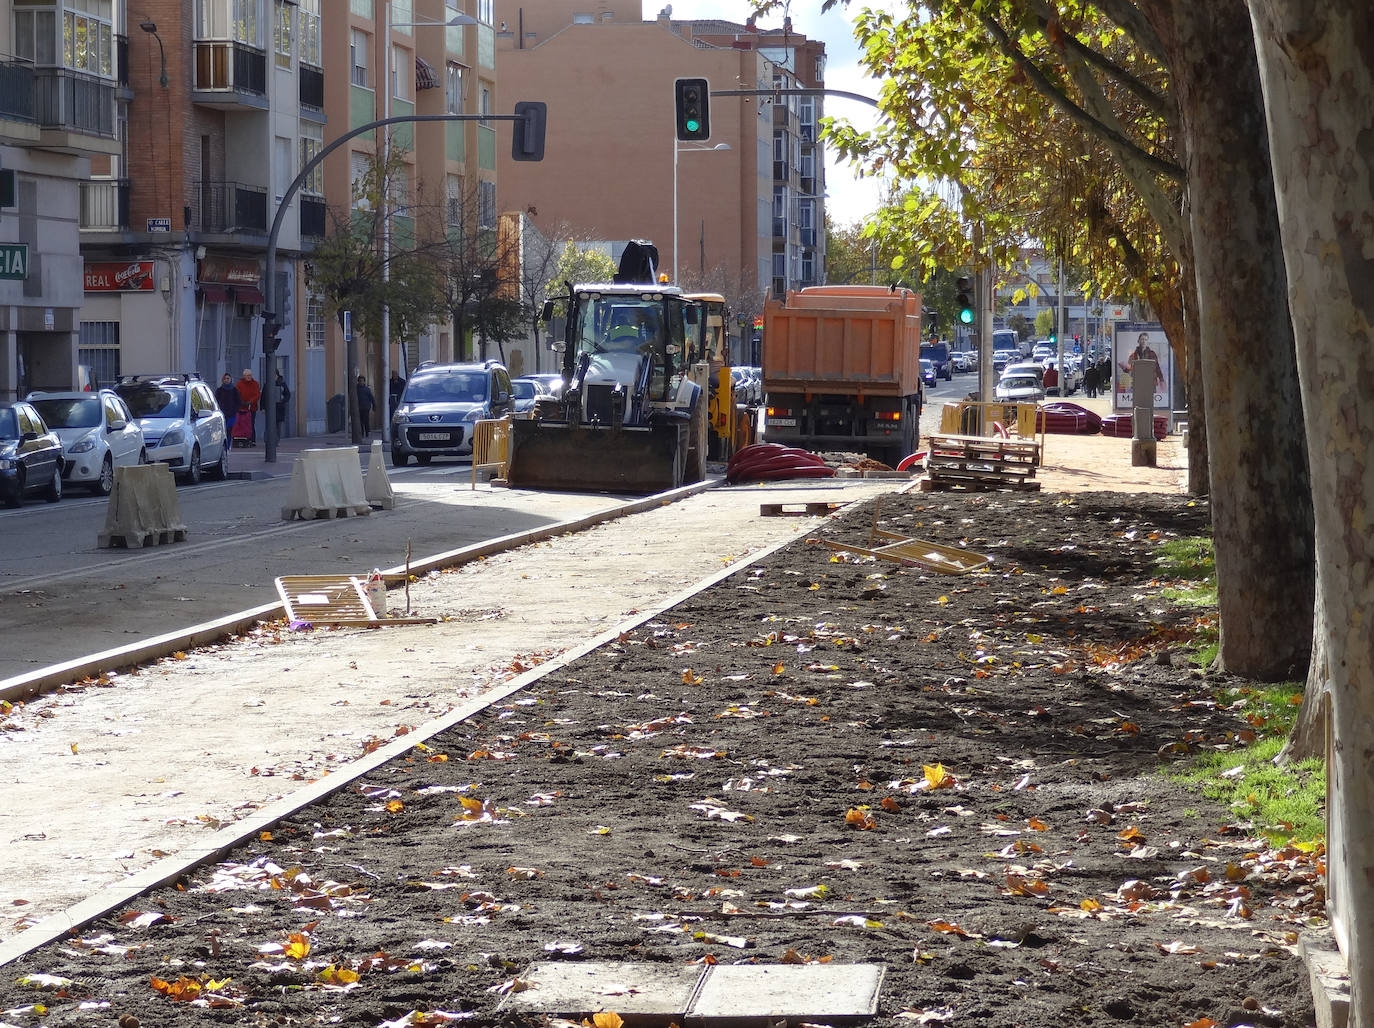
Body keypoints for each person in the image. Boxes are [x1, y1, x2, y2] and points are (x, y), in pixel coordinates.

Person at [235, 368, 261, 445]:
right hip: (241, 407)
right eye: (247, 375)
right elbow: (237, 394)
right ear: (244, 376)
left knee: (251, 423)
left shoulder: (255, 384)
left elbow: (257, 395)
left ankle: (252, 439)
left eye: (250, 375)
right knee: (241, 423)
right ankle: (242, 438)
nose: (249, 377)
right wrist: (240, 402)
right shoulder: (239, 384)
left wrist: (250, 402)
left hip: (251, 407)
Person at [275, 372, 291, 438]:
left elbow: (288, 395)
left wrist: (283, 400)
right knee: (270, 424)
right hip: (271, 408)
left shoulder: (282, 384)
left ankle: (277, 439)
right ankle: (271, 439)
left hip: (279, 407)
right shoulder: (268, 383)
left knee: (278, 425)